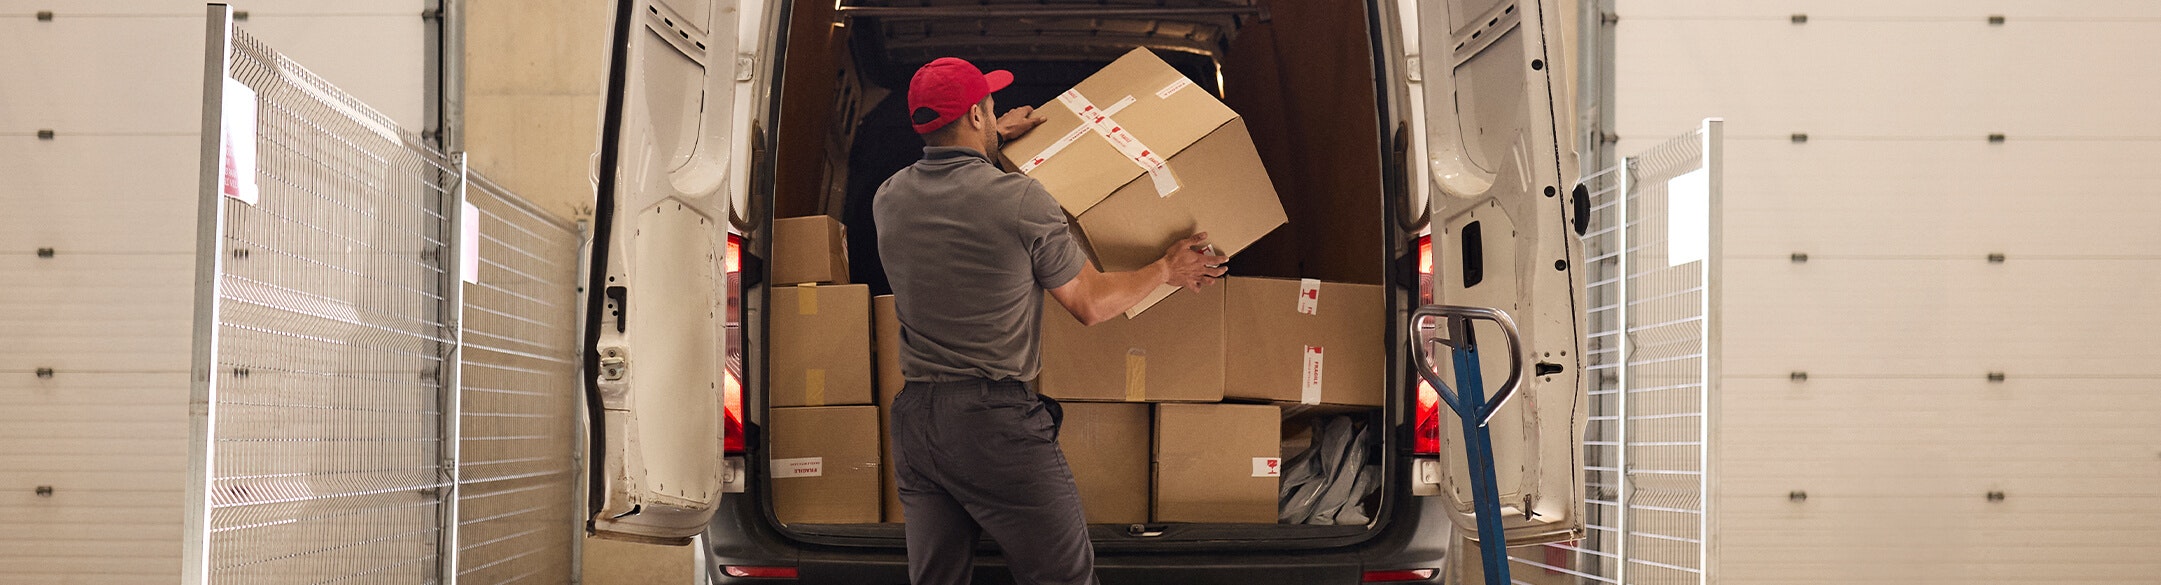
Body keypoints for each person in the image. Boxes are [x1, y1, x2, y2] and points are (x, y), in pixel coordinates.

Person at [873, 57, 1226, 585]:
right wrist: (1165, 269)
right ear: (975, 115)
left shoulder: (888, 199)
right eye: (989, 107)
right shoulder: (1019, 199)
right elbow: (1090, 303)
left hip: (915, 423)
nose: (995, 114)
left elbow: (944, 174)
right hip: (992, 424)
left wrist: (992, 136)